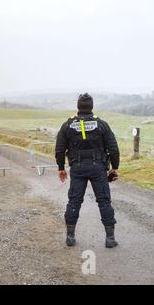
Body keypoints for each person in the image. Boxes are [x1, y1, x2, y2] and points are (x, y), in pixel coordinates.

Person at [55, 93, 120, 248]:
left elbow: (59, 150)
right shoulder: (102, 124)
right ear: (91, 107)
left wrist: (61, 168)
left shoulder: (67, 125)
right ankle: (110, 239)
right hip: (98, 168)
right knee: (104, 201)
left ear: (78, 107)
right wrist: (115, 168)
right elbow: (113, 149)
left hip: (77, 168)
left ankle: (70, 237)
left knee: (74, 201)